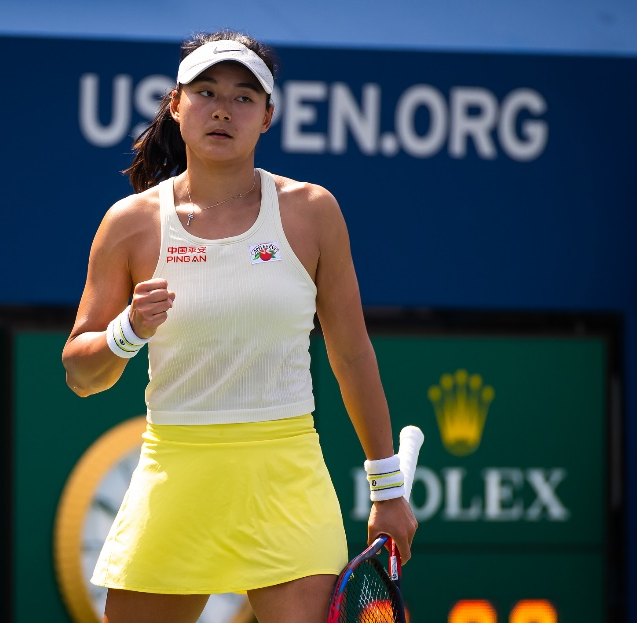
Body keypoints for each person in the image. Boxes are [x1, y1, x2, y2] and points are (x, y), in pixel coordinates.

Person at [62, 30, 417, 623]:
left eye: (244, 96)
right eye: (205, 91)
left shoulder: (312, 212)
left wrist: (387, 490)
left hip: (285, 481)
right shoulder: (130, 224)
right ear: (176, 105)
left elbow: (351, 353)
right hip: (175, 477)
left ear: (268, 116)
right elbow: (81, 373)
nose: (223, 108)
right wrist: (127, 329)